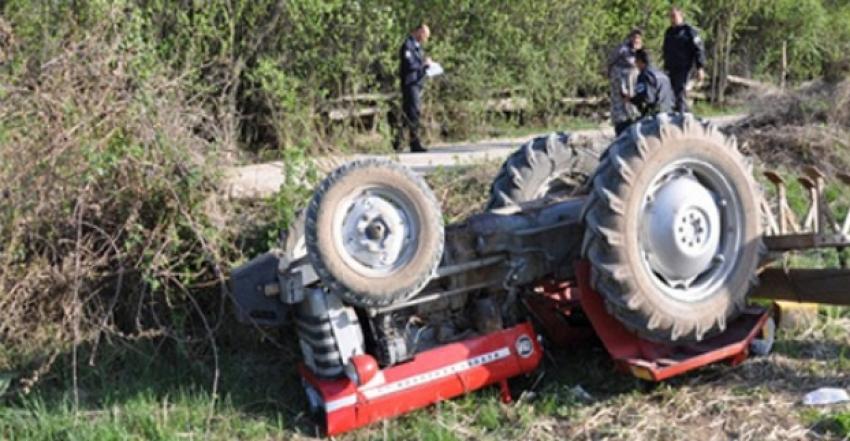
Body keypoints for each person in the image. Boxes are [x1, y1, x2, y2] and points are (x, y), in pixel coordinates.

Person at [394, 23, 433, 153]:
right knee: (413, 114)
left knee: (408, 114)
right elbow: (409, 65)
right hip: (410, 85)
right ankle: (413, 143)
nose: (425, 39)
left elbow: (418, 66)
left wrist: (428, 66)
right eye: (425, 36)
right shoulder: (408, 45)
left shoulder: (417, 47)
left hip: (416, 84)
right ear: (419, 32)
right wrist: (423, 64)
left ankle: (398, 142)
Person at [662, 6, 706, 112]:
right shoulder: (669, 32)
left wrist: (700, 68)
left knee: (680, 92)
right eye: (670, 17)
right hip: (671, 68)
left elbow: (698, 49)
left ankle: (682, 119)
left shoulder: (689, 31)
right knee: (672, 94)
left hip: (685, 68)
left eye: (674, 16)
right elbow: (665, 50)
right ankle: (682, 115)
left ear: (681, 16)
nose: (672, 19)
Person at [608, 28, 643, 136]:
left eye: (638, 38)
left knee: (632, 105)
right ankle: (621, 128)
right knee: (621, 106)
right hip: (621, 78)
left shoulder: (640, 50)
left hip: (633, 79)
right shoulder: (622, 49)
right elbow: (611, 62)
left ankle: (633, 122)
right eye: (634, 37)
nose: (636, 40)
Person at [629, 49, 674, 117]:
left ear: (640, 61)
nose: (635, 64)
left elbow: (645, 99)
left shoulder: (644, 76)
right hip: (669, 113)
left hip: (655, 117)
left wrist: (630, 99)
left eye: (636, 61)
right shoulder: (663, 75)